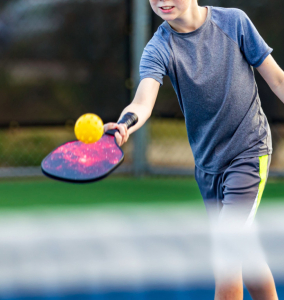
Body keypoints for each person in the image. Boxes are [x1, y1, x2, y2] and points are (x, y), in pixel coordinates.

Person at [104, 1, 284, 299]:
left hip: (249, 151)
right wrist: (125, 123)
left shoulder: (235, 23)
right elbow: (142, 102)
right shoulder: (158, 47)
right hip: (208, 165)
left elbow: (277, 79)